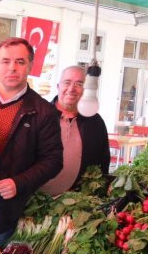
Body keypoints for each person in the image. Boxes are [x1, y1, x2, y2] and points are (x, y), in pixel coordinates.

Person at [0, 38, 63, 247]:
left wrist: (19, 183)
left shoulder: (43, 111)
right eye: (5, 61)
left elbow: (53, 160)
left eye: (20, 62)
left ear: (30, 65)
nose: (12, 68)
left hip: (0, 208)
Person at [40, 65, 110, 196]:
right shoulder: (39, 115)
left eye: (79, 84)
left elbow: (103, 163)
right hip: (34, 201)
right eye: (67, 82)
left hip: (75, 202)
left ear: (86, 90)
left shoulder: (95, 122)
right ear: (58, 86)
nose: (71, 89)